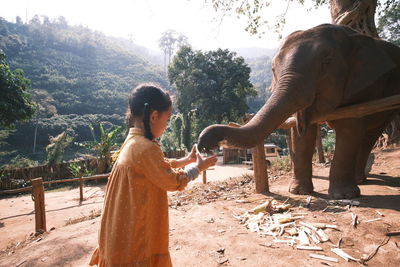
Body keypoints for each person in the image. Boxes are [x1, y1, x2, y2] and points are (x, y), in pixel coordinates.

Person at [89, 83, 217, 267]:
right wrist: (198, 168)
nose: (166, 126)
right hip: (135, 242)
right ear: (154, 116)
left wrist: (187, 159)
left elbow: (157, 168)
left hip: (119, 238)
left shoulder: (133, 141)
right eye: (167, 120)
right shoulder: (146, 148)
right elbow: (172, 181)